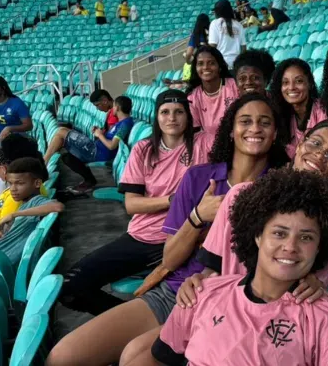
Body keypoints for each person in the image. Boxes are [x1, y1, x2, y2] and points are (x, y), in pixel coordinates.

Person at [48, 93, 290, 366]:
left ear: (275, 132)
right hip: (177, 291)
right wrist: (199, 215)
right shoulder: (199, 177)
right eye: (245, 121)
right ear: (231, 131)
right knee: (62, 357)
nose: (255, 128)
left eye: (264, 122)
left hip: (234, 305)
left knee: (136, 360)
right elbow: (170, 259)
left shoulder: (281, 188)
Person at [138, 170, 328, 366]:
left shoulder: (324, 316)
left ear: (320, 248)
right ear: (258, 236)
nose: (290, 247)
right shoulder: (201, 294)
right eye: (279, 233)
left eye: (306, 237)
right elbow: (161, 358)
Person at [176, 118, 328, 317]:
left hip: (275, 328)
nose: (319, 154)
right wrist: (195, 282)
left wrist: (316, 286)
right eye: (316, 143)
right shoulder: (239, 197)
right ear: (300, 144)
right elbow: (211, 270)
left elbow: (312, 292)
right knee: (141, 346)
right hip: (219, 312)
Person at [58, 91, 212, 317]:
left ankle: (139, 322)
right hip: (142, 237)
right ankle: (133, 321)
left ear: (189, 116)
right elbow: (132, 205)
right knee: (70, 287)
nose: (172, 118)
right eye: (165, 112)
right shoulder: (144, 149)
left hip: (179, 239)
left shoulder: (205, 144)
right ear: (156, 117)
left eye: (179, 112)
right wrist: (174, 200)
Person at [55, 96, 134, 194]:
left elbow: (112, 146)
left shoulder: (125, 124)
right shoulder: (121, 123)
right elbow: (109, 139)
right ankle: (89, 180)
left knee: (62, 132)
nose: (112, 108)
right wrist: (100, 132)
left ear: (117, 107)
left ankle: (45, 163)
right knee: (66, 156)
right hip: (95, 148)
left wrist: (100, 135)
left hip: (97, 152)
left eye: (113, 106)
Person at [0, 156, 62, 243]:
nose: (12, 189)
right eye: (10, 183)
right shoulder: (25, 203)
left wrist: (14, 214)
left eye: (19, 183)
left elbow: (57, 206)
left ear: (37, 183)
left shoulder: (35, 201)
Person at [272, 59, 327, 157]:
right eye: (285, 82)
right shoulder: (284, 114)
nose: (291, 87)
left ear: (309, 83)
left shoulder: (323, 111)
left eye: (299, 81)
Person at [186, 45, 238, 136]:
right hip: (211, 147)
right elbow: (197, 135)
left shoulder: (235, 85)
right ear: (195, 68)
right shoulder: (192, 98)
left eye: (211, 63)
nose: (206, 67)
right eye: (200, 63)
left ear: (220, 66)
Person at [0, 76, 32, 144]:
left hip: (16, 135)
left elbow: (29, 125)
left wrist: (9, 128)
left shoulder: (17, 103)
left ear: (3, 88)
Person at [207, 0, 246, 68]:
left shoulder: (215, 23)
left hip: (221, 64)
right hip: (236, 64)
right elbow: (243, 48)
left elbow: (212, 47)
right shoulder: (239, 25)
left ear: (218, 11)